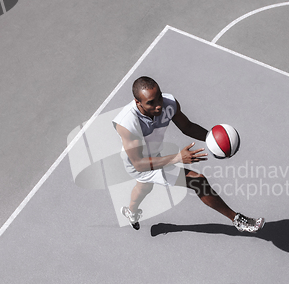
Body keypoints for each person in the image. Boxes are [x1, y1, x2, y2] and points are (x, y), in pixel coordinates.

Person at [112, 76, 265, 232]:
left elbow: (187, 126)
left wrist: (214, 140)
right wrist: (177, 158)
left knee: (145, 187)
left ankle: (131, 212)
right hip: (139, 164)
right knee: (198, 181)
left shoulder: (169, 103)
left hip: (154, 154)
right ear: (138, 102)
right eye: (151, 103)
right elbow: (139, 163)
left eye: (159, 98)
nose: (158, 106)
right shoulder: (127, 123)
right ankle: (238, 220)